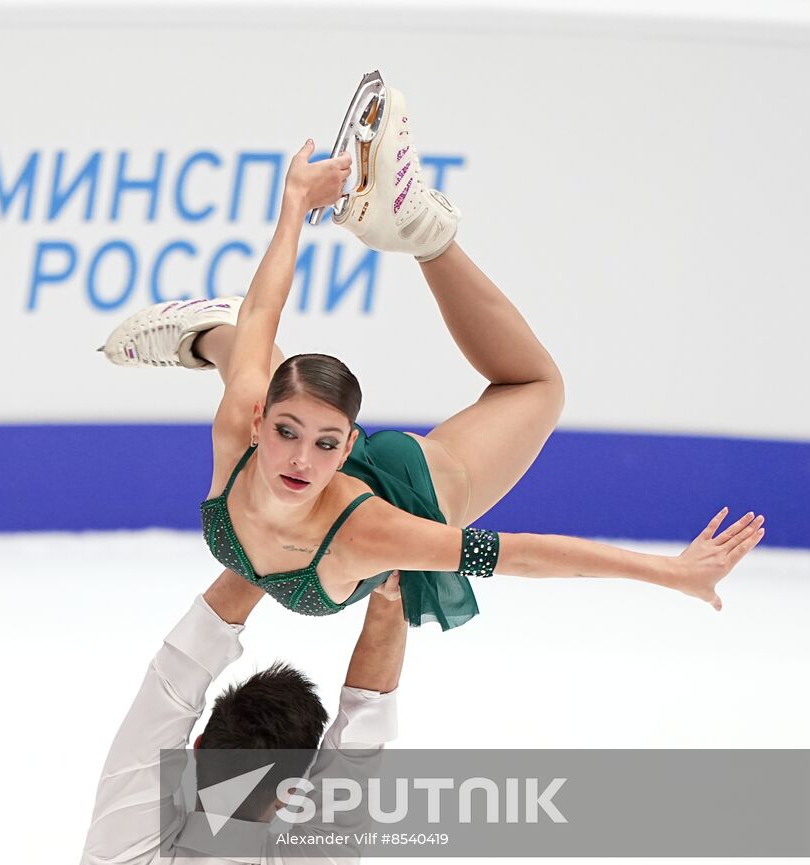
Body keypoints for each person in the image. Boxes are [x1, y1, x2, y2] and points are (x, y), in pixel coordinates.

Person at [101, 83, 764, 629]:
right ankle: (394, 245)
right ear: (256, 424)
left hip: (405, 482)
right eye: (284, 432)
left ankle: (413, 234)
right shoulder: (236, 431)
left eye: (328, 444)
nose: (302, 460)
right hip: (296, 422)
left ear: (349, 442)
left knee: (534, 388)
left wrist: (669, 572)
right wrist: (294, 202)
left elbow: (522, 556)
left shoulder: (375, 531)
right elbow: (265, 307)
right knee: (254, 344)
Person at [64, 569, 407, 865]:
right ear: (291, 793)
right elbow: (361, 734)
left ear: (198, 747)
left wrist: (264, 554)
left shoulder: (120, 855)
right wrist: (390, 599)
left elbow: (172, 682)